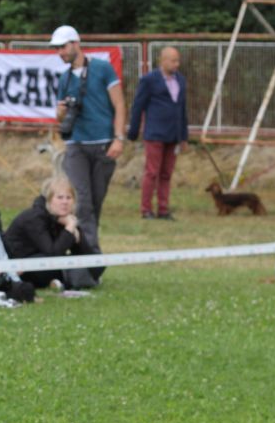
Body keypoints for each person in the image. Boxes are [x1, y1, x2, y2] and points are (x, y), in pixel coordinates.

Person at [52, 25, 126, 254]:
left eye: (62, 47)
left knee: (95, 202)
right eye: (57, 49)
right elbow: (60, 115)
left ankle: (85, 248)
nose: (60, 53)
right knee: (81, 201)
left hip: (103, 142)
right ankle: (90, 255)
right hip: (75, 144)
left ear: (76, 43)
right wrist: (61, 111)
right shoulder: (64, 79)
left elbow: (119, 104)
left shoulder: (103, 69)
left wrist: (119, 138)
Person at [3, 176, 104, 291]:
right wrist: (69, 229)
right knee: (51, 263)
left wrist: (78, 238)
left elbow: (93, 262)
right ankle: (74, 279)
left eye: (68, 198)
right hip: (20, 265)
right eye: (60, 197)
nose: (65, 202)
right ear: (49, 201)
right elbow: (52, 255)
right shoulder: (34, 218)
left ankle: (70, 279)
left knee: (90, 264)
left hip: (46, 259)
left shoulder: (65, 218)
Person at [127, 47, 188, 220]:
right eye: (173, 60)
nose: (176, 64)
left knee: (166, 173)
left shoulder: (181, 80)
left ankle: (163, 209)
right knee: (152, 172)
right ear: (163, 61)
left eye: (178, 60)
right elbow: (138, 106)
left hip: (173, 134)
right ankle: (146, 209)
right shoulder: (149, 80)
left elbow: (182, 109)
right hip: (155, 133)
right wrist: (133, 130)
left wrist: (183, 137)